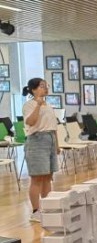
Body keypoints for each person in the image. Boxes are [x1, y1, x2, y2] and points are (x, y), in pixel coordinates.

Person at [22, 78, 59, 222]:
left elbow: (53, 127)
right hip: (36, 141)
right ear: (33, 89)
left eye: (46, 86)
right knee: (37, 178)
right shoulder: (29, 105)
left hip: (50, 140)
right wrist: (37, 105)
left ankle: (47, 207)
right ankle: (36, 211)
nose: (45, 88)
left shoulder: (49, 105)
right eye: (42, 86)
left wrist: (56, 145)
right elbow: (31, 122)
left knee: (48, 177)